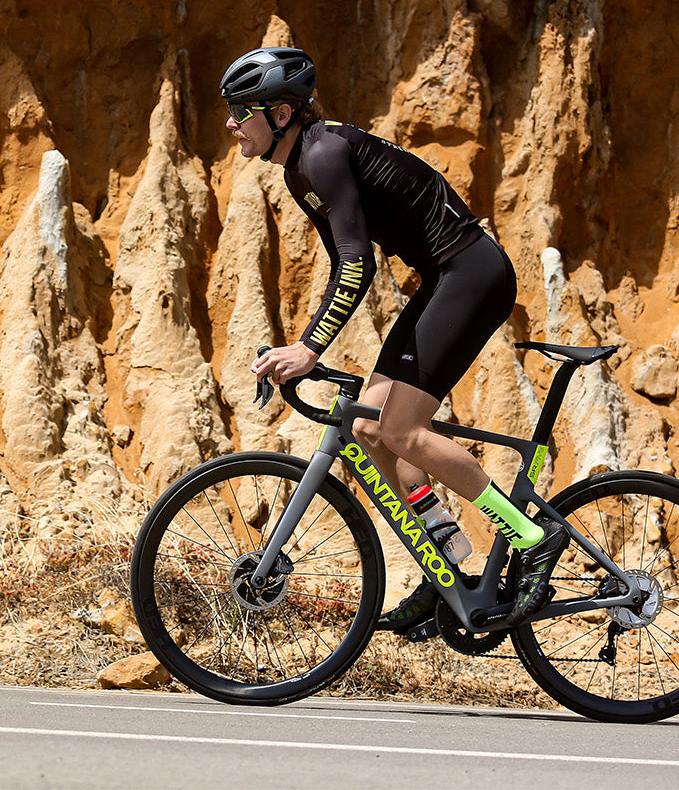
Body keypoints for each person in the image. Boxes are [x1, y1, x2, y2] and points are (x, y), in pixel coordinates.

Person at [221, 45, 567, 632]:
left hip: (471, 274)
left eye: (241, 111)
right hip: (446, 278)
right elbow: (342, 262)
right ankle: (449, 571)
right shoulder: (298, 167)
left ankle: (532, 536)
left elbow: (358, 265)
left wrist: (308, 349)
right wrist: (308, 346)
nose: (231, 124)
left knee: (403, 429)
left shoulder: (323, 153)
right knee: (367, 428)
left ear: (281, 114)